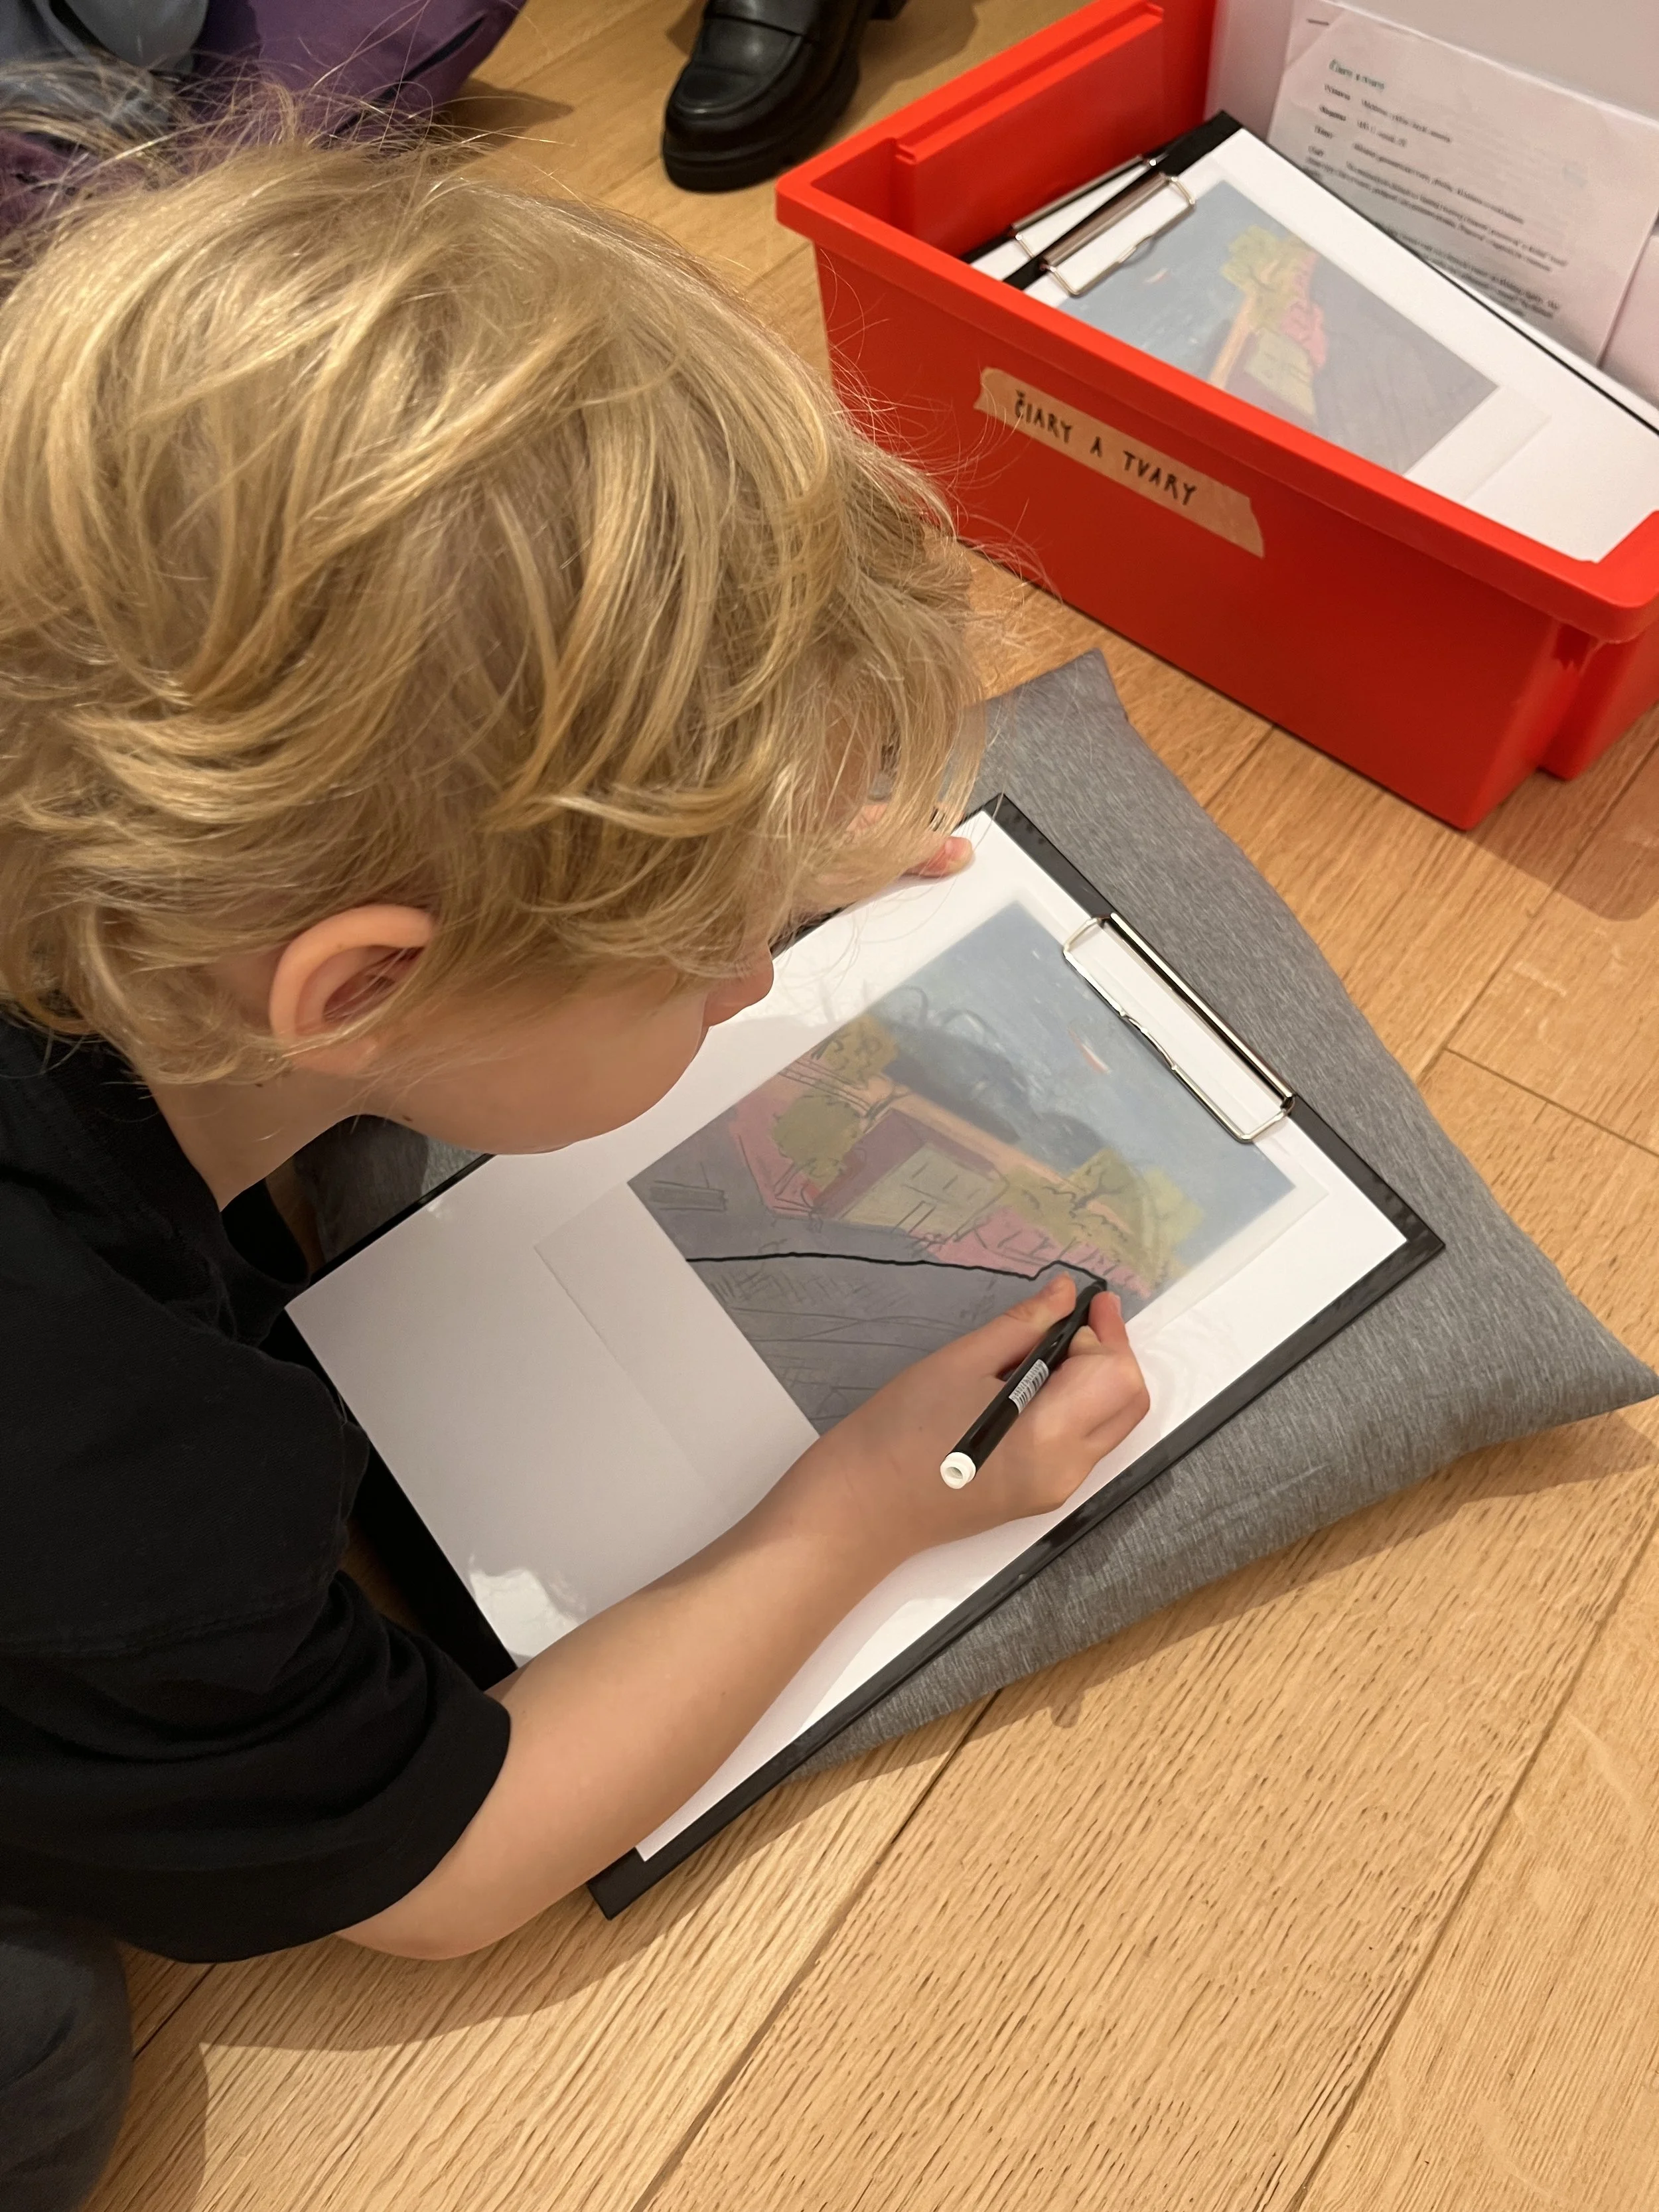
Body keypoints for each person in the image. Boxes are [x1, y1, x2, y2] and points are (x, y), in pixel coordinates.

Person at [0, 123, 1150, 2206]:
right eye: (713, 950)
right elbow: (443, 1857)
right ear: (346, 993)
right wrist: (857, 1510)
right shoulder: (121, 1435)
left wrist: (669, 877)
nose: (754, 970)